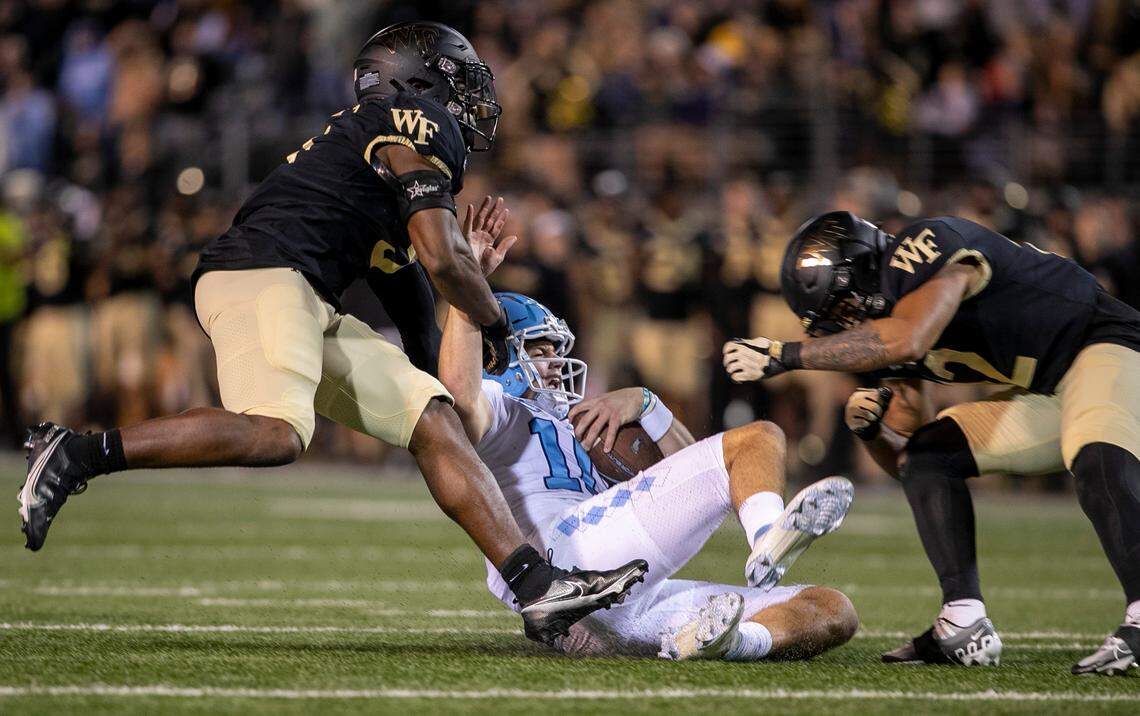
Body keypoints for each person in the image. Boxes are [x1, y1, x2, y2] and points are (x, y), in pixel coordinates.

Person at [17, 21, 646, 646]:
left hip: (301, 291)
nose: (468, 99)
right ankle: (74, 453)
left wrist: (457, 386)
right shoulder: (411, 121)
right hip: (264, 274)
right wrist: (496, 320)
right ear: (416, 82)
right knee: (275, 434)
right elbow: (442, 257)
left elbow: (413, 296)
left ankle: (539, 590)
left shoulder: (371, 163)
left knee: (431, 417)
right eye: (459, 80)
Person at [724, 211, 1140, 675]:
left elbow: (909, 337)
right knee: (932, 455)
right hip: (1051, 391)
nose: (846, 324)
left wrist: (786, 355)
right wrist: (873, 432)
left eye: (842, 308)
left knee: (1096, 450)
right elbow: (908, 459)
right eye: (834, 320)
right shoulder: (892, 326)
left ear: (861, 268)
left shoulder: (925, 245)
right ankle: (962, 623)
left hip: (1106, 344)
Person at [440, 280, 858, 659]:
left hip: (618, 588)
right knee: (760, 438)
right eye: (538, 349)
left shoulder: (573, 416)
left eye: (556, 350)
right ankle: (768, 540)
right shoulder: (496, 404)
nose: (554, 362)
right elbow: (460, 399)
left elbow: (701, 473)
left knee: (832, 609)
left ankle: (732, 642)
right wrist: (461, 293)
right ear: (496, 354)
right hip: (557, 554)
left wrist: (647, 403)